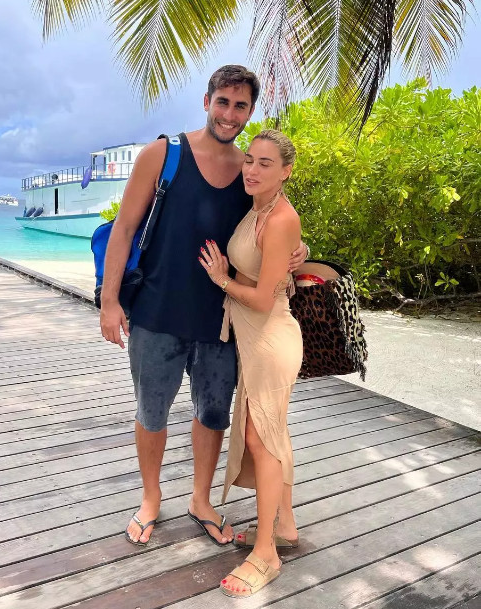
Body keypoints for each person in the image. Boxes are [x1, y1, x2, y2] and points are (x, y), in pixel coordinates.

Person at [100, 66, 308, 548]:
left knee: (212, 413)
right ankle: (151, 499)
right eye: (223, 102)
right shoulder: (164, 154)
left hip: (222, 320)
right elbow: (123, 229)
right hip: (156, 313)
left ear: (250, 112)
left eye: (241, 106)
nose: (230, 114)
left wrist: (299, 250)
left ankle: (200, 499)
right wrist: (109, 301)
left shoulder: (249, 170)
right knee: (152, 411)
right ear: (206, 101)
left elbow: (271, 227)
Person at [198, 130, 303, 597]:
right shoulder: (258, 207)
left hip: (270, 340)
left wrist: (221, 279)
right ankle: (285, 525)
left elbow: (262, 299)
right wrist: (297, 254)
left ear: (286, 172)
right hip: (255, 341)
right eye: (249, 160)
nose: (252, 170)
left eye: (265, 163)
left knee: (261, 438)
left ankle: (266, 554)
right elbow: (277, 262)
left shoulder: (279, 218)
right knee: (273, 432)